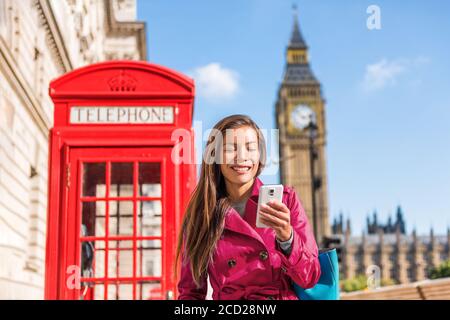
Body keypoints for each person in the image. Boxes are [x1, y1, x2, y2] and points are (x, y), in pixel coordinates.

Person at [174, 114, 321, 300]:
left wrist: (287, 238)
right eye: (230, 148)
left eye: (250, 148)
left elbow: (310, 277)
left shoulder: (286, 200)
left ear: (260, 156)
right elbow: (191, 293)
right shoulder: (201, 215)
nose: (242, 157)